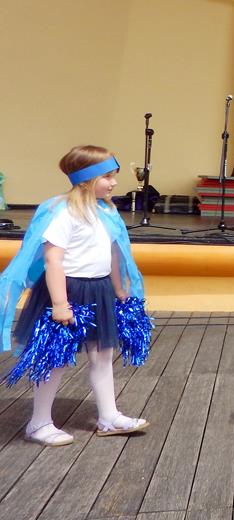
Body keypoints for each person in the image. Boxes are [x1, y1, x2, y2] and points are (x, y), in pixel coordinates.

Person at [0, 145, 149, 446]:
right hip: (67, 291)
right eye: (107, 176)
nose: (114, 183)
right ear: (86, 178)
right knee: (54, 358)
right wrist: (59, 304)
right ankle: (39, 422)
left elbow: (113, 252)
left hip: (99, 290)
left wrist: (118, 288)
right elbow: (53, 260)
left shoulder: (106, 212)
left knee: (102, 354)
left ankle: (108, 416)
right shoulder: (64, 212)